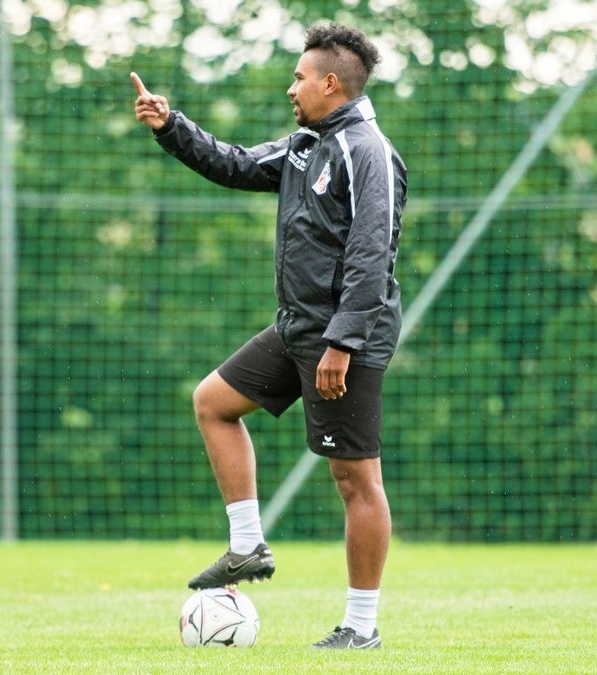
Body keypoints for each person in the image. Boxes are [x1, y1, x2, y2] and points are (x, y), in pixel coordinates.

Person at [132, 22, 406, 649]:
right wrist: (171, 127)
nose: (292, 88)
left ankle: (360, 630)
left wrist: (342, 343)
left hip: (346, 340)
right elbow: (235, 164)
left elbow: (371, 257)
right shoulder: (307, 145)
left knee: (355, 480)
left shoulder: (369, 151)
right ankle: (247, 544)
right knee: (213, 402)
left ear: (330, 82)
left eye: (299, 77)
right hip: (298, 329)